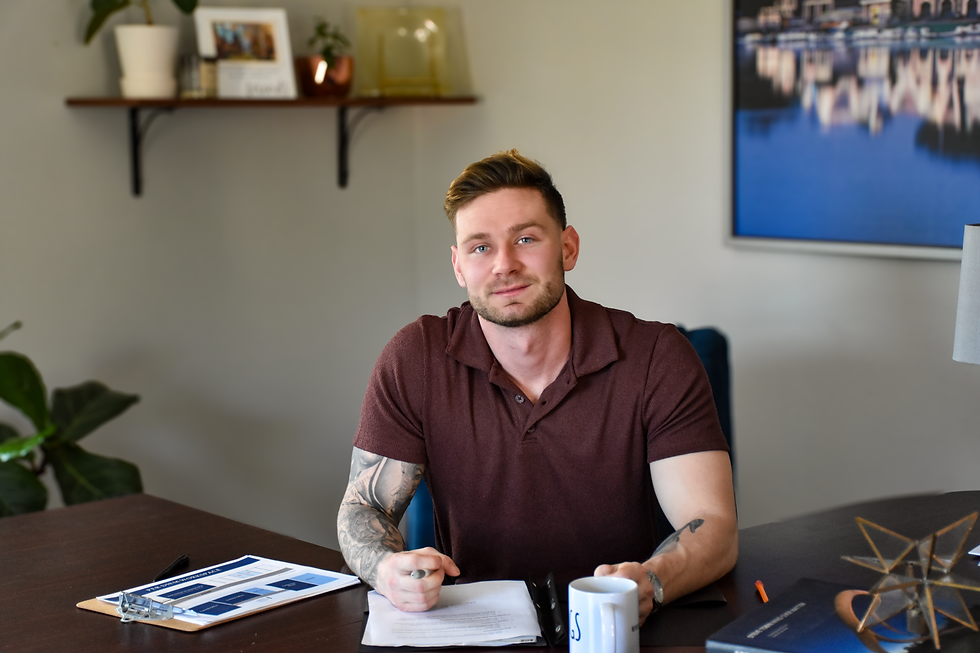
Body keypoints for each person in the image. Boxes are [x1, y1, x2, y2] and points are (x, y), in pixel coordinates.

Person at [337, 149, 737, 624]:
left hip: (622, 622)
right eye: (480, 247)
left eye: (525, 238)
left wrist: (650, 580)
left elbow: (712, 526)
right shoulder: (415, 358)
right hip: (472, 627)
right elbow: (363, 506)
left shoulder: (657, 356)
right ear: (459, 265)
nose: (503, 265)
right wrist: (386, 571)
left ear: (567, 247)